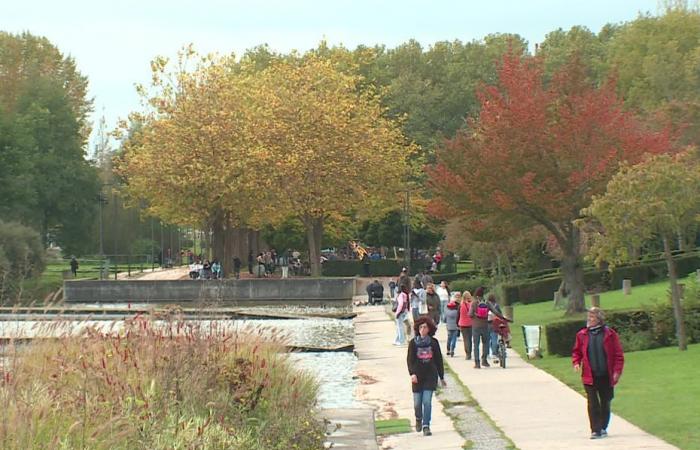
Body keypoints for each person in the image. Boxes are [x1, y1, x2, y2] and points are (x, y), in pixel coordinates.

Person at [572, 307, 624, 440]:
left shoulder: (610, 334)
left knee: (605, 402)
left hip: (606, 375)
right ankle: (595, 430)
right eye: (588, 317)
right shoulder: (582, 334)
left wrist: (617, 371)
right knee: (592, 402)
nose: (589, 319)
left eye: (592, 317)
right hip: (590, 375)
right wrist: (576, 362)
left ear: (599, 319)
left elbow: (618, 355)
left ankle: (602, 427)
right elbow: (577, 351)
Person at [407, 317, 446, 437]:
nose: (423, 329)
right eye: (421, 327)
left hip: (430, 375)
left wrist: (441, 376)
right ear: (417, 329)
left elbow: (439, 360)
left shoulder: (434, 342)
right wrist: (412, 374)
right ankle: (418, 418)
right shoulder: (413, 343)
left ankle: (426, 425)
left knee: (427, 401)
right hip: (417, 376)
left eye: (425, 327)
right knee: (417, 403)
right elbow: (410, 360)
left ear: (429, 329)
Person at [469, 287, 510, 369]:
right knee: (486, 343)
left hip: (476, 327)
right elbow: (495, 312)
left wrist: (475, 315)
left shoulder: (473, 303)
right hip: (485, 325)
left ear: (476, 295)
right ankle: (484, 360)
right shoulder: (487, 303)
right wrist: (503, 318)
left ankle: (477, 363)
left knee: (476, 345)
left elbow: (470, 314)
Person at [444, 292, 461, 357]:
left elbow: (445, 319)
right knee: (454, 339)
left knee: (449, 338)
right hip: (456, 326)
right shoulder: (457, 311)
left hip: (449, 326)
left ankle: (448, 349)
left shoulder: (447, 311)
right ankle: (452, 350)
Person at [458, 291, 473, 360]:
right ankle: (470, 352)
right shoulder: (471, 305)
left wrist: (457, 323)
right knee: (469, 339)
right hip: (470, 323)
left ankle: (467, 354)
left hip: (462, 324)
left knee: (465, 339)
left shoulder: (461, 305)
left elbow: (458, 315)